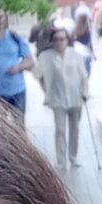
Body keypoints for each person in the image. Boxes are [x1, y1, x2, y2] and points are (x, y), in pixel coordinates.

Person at [37, 26, 90, 170]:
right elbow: (39, 75)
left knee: (75, 128)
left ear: (67, 40)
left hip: (76, 97)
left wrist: (85, 92)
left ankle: (73, 157)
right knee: (60, 129)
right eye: (56, 40)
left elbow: (84, 76)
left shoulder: (76, 55)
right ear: (52, 41)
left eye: (62, 39)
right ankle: (61, 161)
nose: (59, 42)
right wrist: (46, 91)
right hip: (57, 98)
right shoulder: (45, 56)